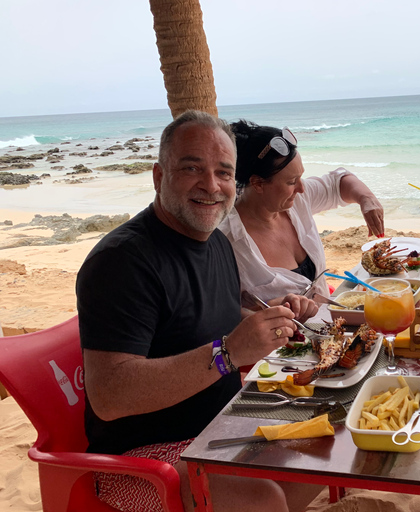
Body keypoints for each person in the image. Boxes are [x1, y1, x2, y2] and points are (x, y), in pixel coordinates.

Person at [76, 110, 319, 512]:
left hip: (219, 423)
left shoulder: (215, 243)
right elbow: (109, 395)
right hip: (139, 458)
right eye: (192, 168)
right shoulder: (121, 262)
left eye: (224, 173)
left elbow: (212, 322)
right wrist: (228, 355)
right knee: (262, 499)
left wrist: (264, 323)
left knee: (322, 443)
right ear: (159, 177)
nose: (211, 185)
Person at [218, 120, 385, 309]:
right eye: (291, 182)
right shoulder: (226, 241)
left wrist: (366, 198)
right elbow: (220, 311)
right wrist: (267, 307)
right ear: (257, 183)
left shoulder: (296, 201)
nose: (302, 188)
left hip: (331, 326)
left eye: (300, 177)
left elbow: (338, 182)